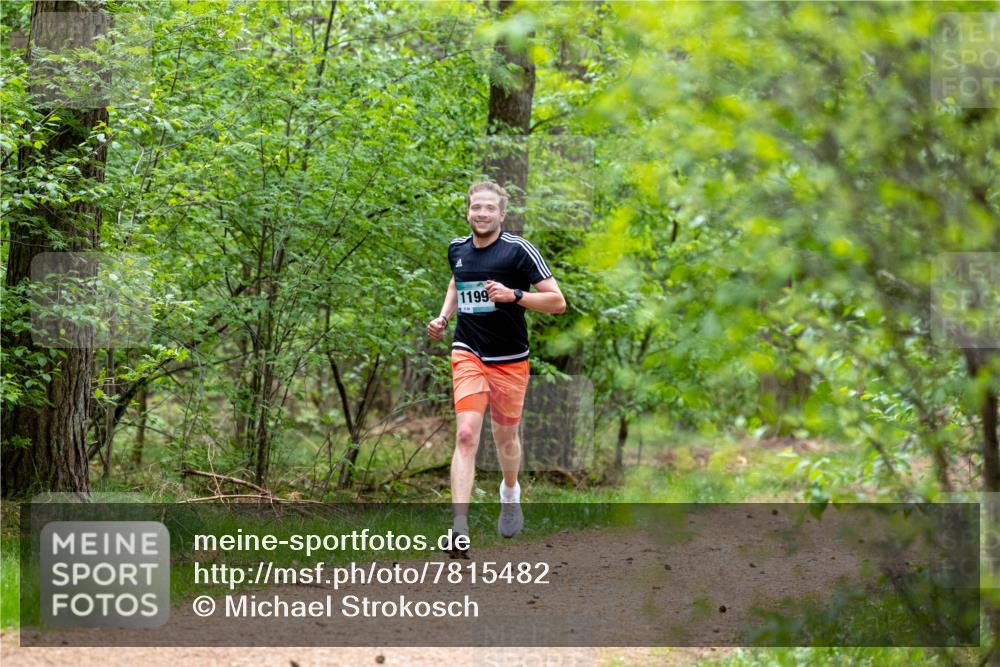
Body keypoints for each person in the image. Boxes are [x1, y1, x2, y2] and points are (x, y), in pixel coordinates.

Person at [427, 181, 566, 559]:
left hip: (509, 360)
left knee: (506, 440)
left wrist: (514, 295)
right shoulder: (457, 248)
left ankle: (510, 492)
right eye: (476, 208)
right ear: (468, 212)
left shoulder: (519, 251)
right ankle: (459, 529)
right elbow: (457, 283)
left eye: (490, 208)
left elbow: (557, 302)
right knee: (467, 435)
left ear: (501, 214)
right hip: (468, 351)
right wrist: (443, 317)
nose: (482, 214)